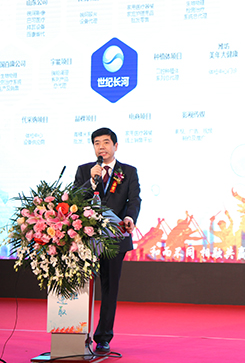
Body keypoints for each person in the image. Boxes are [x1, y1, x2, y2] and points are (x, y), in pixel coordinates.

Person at [74, 127, 141, 355]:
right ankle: (77, 334)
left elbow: (134, 200)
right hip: (85, 240)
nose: (101, 147)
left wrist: (130, 217)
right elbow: (75, 199)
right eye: (96, 143)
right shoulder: (85, 171)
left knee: (109, 288)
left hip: (115, 238)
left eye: (105, 142)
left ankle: (103, 337)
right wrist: (91, 181)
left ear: (115, 146)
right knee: (80, 286)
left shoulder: (128, 172)